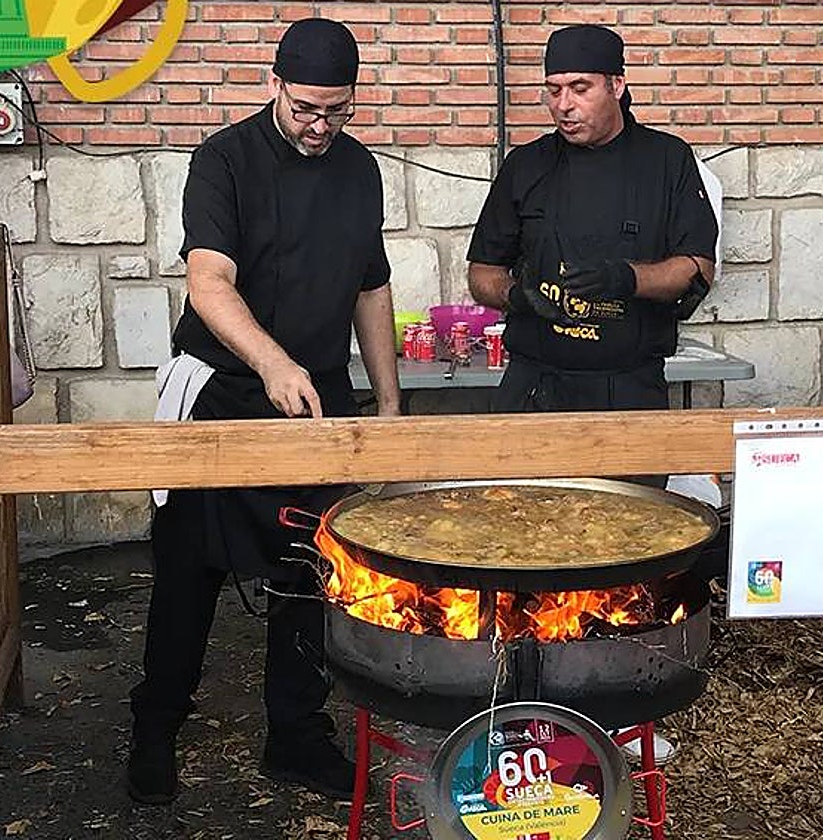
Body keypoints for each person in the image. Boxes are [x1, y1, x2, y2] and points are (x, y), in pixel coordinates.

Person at [127, 17, 400, 806]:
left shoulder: (359, 170)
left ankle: (296, 736)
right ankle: (155, 727)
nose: (319, 127)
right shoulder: (224, 161)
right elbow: (209, 283)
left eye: (337, 111)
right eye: (306, 108)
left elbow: (371, 287)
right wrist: (271, 359)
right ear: (273, 84)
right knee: (188, 570)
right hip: (220, 390)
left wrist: (384, 402)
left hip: (314, 398)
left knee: (310, 571)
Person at [468, 24, 718, 414]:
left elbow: (698, 267)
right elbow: (482, 273)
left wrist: (626, 278)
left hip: (629, 390)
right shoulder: (525, 166)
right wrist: (515, 295)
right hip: (533, 388)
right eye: (554, 90)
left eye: (580, 89)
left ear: (616, 86)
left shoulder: (667, 161)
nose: (564, 105)